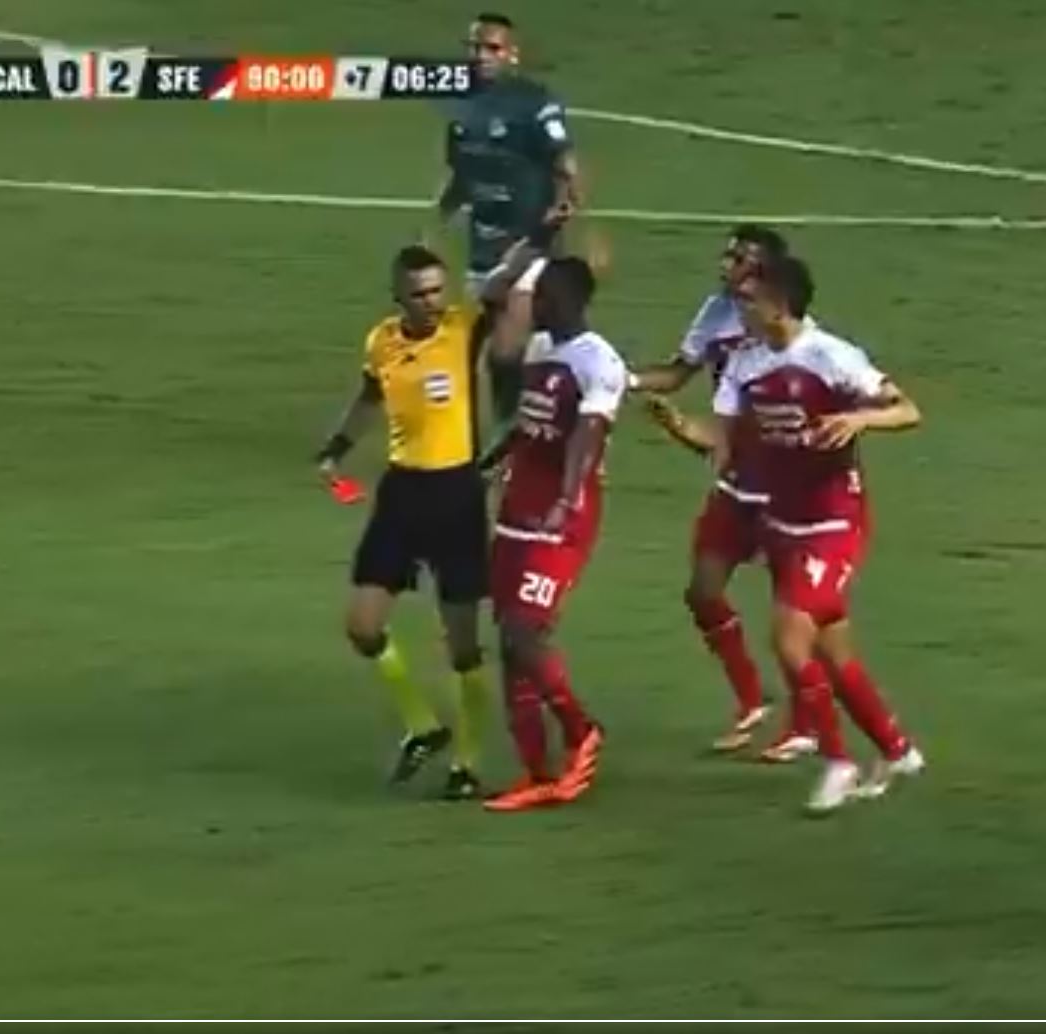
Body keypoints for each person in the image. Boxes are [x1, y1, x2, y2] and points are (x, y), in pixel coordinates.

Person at [712, 255, 926, 814]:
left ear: (779, 304)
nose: (740, 308)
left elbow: (908, 410)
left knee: (790, 638)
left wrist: (859, 419)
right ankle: (897, 750)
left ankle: (838, 760)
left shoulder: (832, 356)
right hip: (782, 521)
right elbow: (728, 440)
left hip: (835, 521)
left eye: (749, 299)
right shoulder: (745, 362)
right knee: (833, 651)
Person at [314, 244, 513, 799]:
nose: (431, 301)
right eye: (420, 293)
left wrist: (545, 230)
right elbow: (368, 398)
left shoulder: (463, 328)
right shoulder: (381, 341)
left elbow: (506, 278)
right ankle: (423, 727)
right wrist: (336, 449)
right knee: (363, 626)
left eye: (437, 290)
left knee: (462, 644)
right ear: (398, 297)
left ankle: (466, 765)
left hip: (457, 495)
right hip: (402, 492)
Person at [630, 227, 818, 759]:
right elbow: (677, 374)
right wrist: (617, 380)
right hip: (736, 477)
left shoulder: (795, 339)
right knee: (703, 590)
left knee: (792, 613)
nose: (726, 263)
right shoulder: (716, 312)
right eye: (728, 253)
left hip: (785, 488)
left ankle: (806, 724)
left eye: (740, 258)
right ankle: (753, 700)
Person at [481, 257, 628, 812]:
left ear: (566, 300)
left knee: (524, 630)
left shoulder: (598, 362)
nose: (532, 304)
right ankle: (535, 772)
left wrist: (566, 501)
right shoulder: (542, 349)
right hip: (516, 510)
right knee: (509, 641)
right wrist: (485, 465)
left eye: (540, 295)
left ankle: (581, 731)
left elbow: (588, 436)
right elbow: (527, 423)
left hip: (559, 520)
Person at [436, 11, 583, 467]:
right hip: (482, 248)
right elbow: (461, 173)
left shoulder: (535, 103)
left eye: (492, 48)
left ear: (512, 55)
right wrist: (438, 219)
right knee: (462, 353)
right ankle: (482, 445)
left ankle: (512, 444)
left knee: (505, 351)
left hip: (528, 247)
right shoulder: (460, 108)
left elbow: (566, 163)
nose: (481, 56)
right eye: (474, 47)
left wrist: (563, 205)